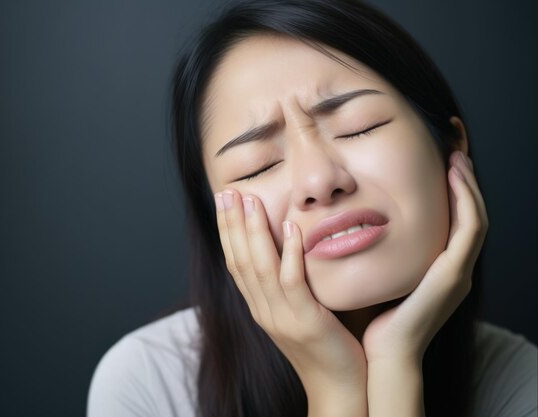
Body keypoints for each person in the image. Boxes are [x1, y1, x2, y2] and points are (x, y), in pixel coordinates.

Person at [87, 0, 537, 416]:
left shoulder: (521, 382)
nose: (320, 181)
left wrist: (396, 363)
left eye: (360, 127)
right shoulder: (148, 381)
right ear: (216, 219)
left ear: (452, 146)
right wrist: (334, 386)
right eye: (258, 165)